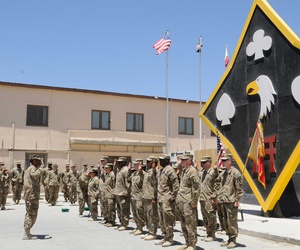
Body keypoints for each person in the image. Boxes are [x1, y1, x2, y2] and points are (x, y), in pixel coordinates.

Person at [215, 154, 243, 249]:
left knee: (232, 221)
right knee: (225, 221)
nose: (223, 162)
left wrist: (237, 200)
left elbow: (239, 189)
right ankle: (229, 239)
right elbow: (218, 184)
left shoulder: (235, 173)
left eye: (225, 160)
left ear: (230, 161)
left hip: (231, 201)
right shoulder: (223, 173)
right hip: (224, 200)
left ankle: (233, 240)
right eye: (222, 160)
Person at [177, 154, 200, 250]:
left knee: (190, 224)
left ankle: (192, 245)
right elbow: (177, 171)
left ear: (189, 161)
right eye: (181, 160)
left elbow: (196, 188)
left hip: (188, 202)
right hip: (182, 201)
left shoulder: (192, 171)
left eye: (183, 160)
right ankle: (187, 242)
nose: (181, 161)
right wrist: (179, 164)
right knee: (183, 224)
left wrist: (194, 201)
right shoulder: (184, 171)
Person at [155, 154, 179, 247]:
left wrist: (173, 196)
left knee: (168, 219)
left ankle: (170, 238)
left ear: (166, 161)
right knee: (162, 219)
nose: (160, 162)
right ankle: (165, 236)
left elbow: (176, 185)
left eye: (162, 160)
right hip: (161, 198)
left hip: (167, 199)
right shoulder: (162, 170)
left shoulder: (170, 170)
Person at [22, 155, 43, 240]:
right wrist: (41, 168)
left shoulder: (30, 168)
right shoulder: (32, 168)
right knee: (31, 214)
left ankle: (27, 232)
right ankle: (26, 234)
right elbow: (34, 175)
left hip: (31, 195)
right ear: (33, 161)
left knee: (30, 214)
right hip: (32, 195)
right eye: (37, 161)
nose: (39, 163)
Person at [199, 156, 218, 242]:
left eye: (204, 162)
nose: (202, 164)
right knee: (205, 217)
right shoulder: (202, 172)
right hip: (202, 198)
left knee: (211, 217)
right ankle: (208, 233)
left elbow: (217, 185)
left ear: (209, 162)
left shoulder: (213, 172)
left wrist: (214, 196)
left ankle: (212, 234)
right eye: (201, 162)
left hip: (210, 198)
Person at [141, 156, 158, 241]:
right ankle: (149, 230)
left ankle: (153, 232)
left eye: (149, 161)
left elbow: (155, 185)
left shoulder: (154, 172)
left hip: (151, 197)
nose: (147, 163)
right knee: (148, 215)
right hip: (146, 196)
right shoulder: (148, 171)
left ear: (153, 163)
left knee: (152, 215)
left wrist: (154, 197)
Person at [113, 156, 131, 231]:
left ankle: (125, 224)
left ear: (124, 162)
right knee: (119, 209)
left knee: (124, 210)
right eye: (118, 162)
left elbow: (128, 183)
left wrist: (126, 192)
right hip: (118, 193)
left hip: (123, 194)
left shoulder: (125, 170)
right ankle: (121, 223)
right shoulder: (119, 170)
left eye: (120, 162)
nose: (118, 163)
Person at [128, 160, 145, 236]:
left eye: (136, 164)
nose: (135, 166)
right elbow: (128, 180)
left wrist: (140, 169)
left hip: (139, 196)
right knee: (134, 213)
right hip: (133, 196)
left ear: (140, 164)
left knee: (139, 212)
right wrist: (129, 170)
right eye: (134, 165)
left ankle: (140, 228)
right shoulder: (134, 174)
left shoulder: (143, 174)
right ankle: (137, 226)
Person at [102, 163, 116, 227]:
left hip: (110, 194)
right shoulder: (107, 175)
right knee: (107, 208)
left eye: (107, 168)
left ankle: (112, 221)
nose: (105, 169)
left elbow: (114, 184)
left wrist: (113, 192)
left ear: (110, 168)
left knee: (111, 208)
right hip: (106, 194)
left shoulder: (112, 174)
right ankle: (108, 219)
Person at [98, 156, 109, 223]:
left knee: (106, 204)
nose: (102, 162)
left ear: (106, 161)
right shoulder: (102, 168)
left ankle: (108, 218)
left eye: (103, 161)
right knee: (102, 204)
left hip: (106, 189)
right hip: (101, 189)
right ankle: (105, 217)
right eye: (101, 161)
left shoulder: (108, 168)